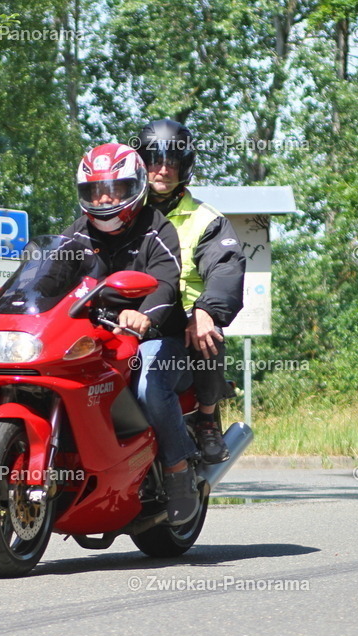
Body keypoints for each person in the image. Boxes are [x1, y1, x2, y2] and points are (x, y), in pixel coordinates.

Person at [61, 142, 200, 525]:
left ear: (135, 187)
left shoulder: (157, 228)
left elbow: (166, 283)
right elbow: (47, 275)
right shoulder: (76, 235)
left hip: (158, 340)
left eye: (115, 189)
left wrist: (142, 316)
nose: (104, 199)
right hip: (98, 338)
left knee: (148, 384)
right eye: (95, 191)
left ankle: (178, 471)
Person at [133, 120, 246, 464]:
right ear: (140, 164)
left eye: (173, 162)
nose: (163, 169)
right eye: (155, 160)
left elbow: (226, 267)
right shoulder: (121, 213)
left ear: (185, 167)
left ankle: (206, 418)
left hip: (183, 322)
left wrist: (207, 309)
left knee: (206, 334)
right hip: (130, 317)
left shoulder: (206, 220)